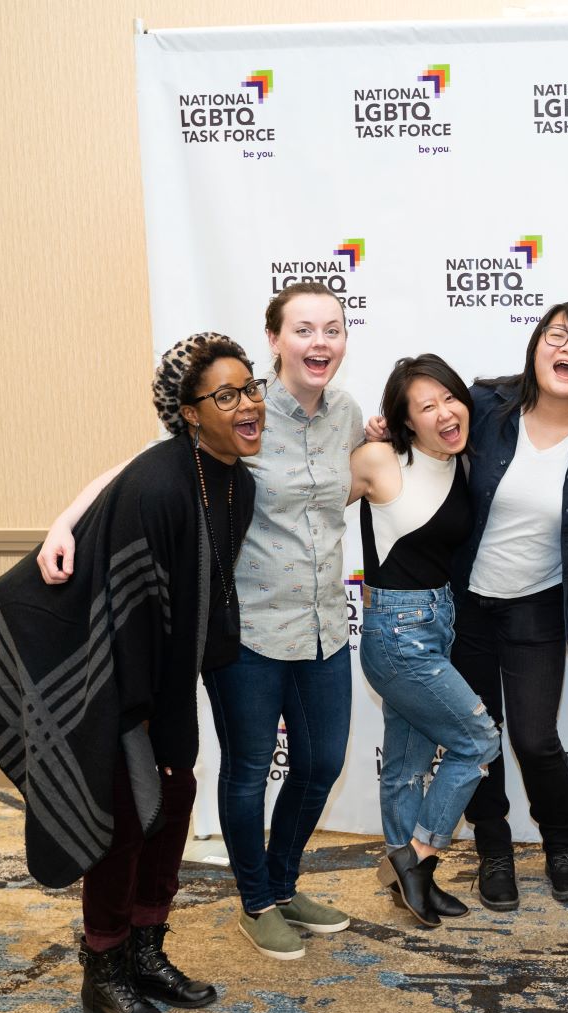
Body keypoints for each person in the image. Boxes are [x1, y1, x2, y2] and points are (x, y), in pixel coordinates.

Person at [0, 334, 262, 1013]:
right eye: (228, 394)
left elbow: (194, 594)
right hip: (106, 670)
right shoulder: (160, 485)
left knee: (172, 799)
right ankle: (104, 967)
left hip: (161, 676)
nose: (249, 404)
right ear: (188, 412)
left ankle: (147, 949)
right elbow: (127, 609)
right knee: (123, 813)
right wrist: (138, 714)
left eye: (252, 387)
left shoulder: (234, 477)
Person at [38, 282, 363, 961]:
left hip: (325, 623)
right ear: (276, 338)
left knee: (321, 762)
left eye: (332, 328)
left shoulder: (347, 414)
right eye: (304, 329)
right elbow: (137, 466)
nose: (320, 342)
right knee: (247, 771)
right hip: (245, 632)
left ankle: (284, 878)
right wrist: (64, 522)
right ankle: (256, 900)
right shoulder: (237, 407)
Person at [451, 303, 568, 910]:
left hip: (538, 607)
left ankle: (561, 845)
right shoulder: (484, 407)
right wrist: (382, 432)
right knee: (479, 736)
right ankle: (493, 850)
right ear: (535, 348)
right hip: (466, 604)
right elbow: (424, 426)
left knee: (534, 738)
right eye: (559, 335)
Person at [354, 354, 500, 928]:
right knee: (478, 741)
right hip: (396, 632)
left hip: (438, 623)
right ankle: (416, 859)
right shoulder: (381, 459)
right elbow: (306, 497)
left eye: (450, 397)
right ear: (404, 420)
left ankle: (411, 884)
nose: (444, 412)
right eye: (426, 405)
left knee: (406, 764)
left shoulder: (460, 462)